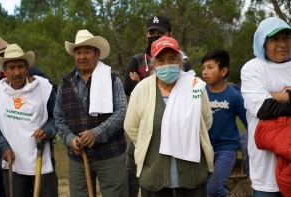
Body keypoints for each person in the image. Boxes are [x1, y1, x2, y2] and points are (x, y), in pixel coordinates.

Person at [124, 36, 214, 197]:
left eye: (172, 59)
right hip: (154, 174)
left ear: (180, 62)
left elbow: (205, 121)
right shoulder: (142, 89)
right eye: (160, 60)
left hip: (192, 174)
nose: (167, 64)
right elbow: (131, 126)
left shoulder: (195, 86)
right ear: (153, 64)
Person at [54, 29, 128, 197]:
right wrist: (69, 139)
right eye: (78, 52)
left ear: (98, 54)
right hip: (78, 158)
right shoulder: (66, 82)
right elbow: (59, 117)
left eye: (87, 51)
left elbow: (122, 111)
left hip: (110, 154)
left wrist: (96, 133)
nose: (82, 56)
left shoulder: (111, 78)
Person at [123, 15, 191, 197]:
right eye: (151, 32)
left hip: (177, 131)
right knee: (132, 174)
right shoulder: (137, 59)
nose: (155, 36)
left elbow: (183, 83)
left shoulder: (182, 59)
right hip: (145, 126)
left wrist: (142, 80)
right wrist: (148, 83)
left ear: (171, 33)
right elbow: (127, 87)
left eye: (160, 32)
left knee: (173, 177)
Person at [0, 37, 58, 197]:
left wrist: (47, 130)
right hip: (12, 161)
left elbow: (58, 117)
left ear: (28, 67)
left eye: (21, 67)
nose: (17, 72)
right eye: (12, 68)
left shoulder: (44, 89)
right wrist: (2, 146)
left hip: (41, 157)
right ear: (4, 71)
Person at [241, 17, 291, 196]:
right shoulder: (253, 69)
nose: (282, 44)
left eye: (286, 38)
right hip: (266, 168)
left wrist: (283, 96)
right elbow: (264, 109)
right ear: (262, 42)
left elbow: (268, 104)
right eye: (275, 39)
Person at [201, 49, 247, 196]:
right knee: (203, 189)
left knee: (213, 189)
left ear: (223, 71)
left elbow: (248, 122)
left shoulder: (234, 95)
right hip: (204, 148)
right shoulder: (199, 93)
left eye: (210, 67)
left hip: (227, 148)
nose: (205, 72)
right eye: (203, 68)